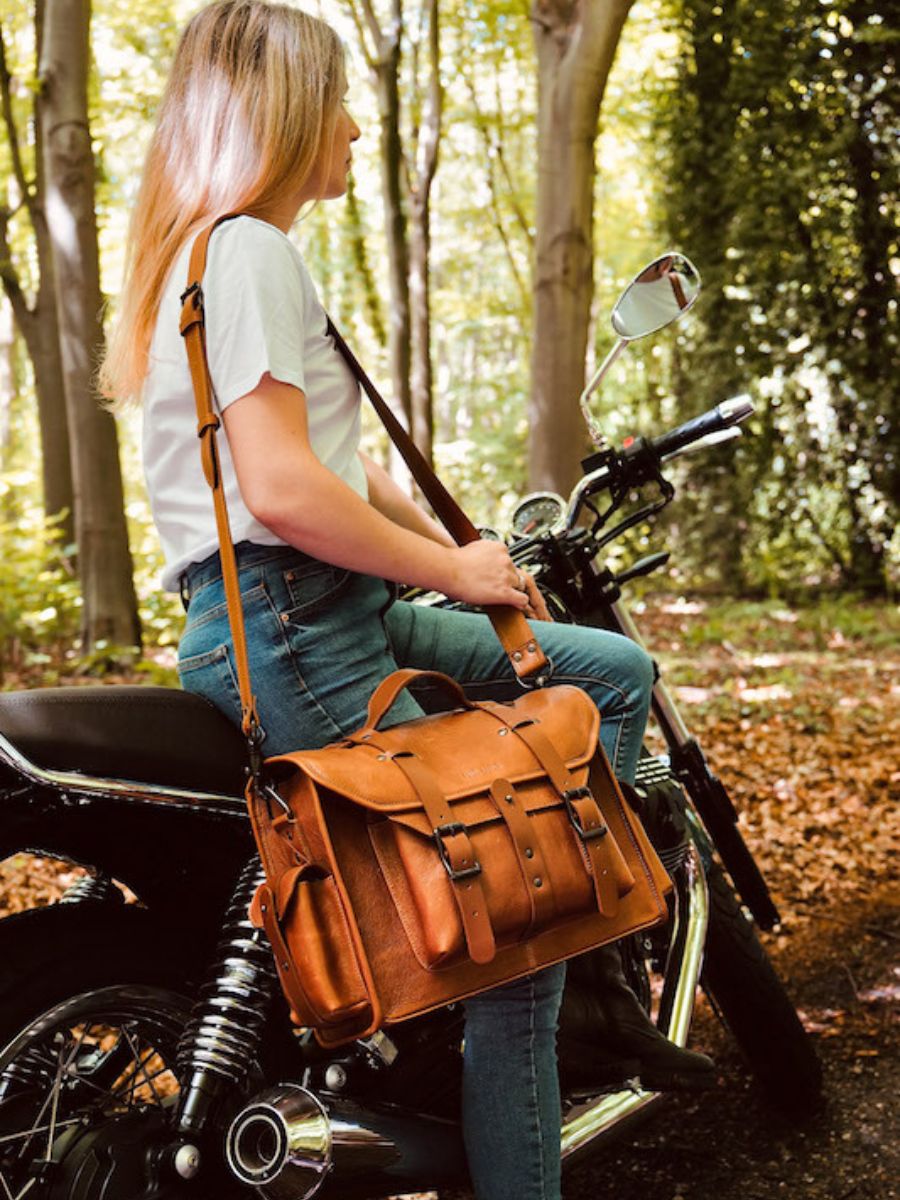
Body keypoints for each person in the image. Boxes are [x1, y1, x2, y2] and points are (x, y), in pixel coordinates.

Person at [101, 4, 710, 1197]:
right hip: (299, 621)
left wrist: (457, 545)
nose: (354, 129)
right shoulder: (251, 253)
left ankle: (593, 970)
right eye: (336, 102)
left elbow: (334, 460)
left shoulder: (213, 257)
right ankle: (543, 1006)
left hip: (326, 611)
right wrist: (451, 572)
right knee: (512, 935)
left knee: (607, 674)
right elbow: (280, 490)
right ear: (282, 116)